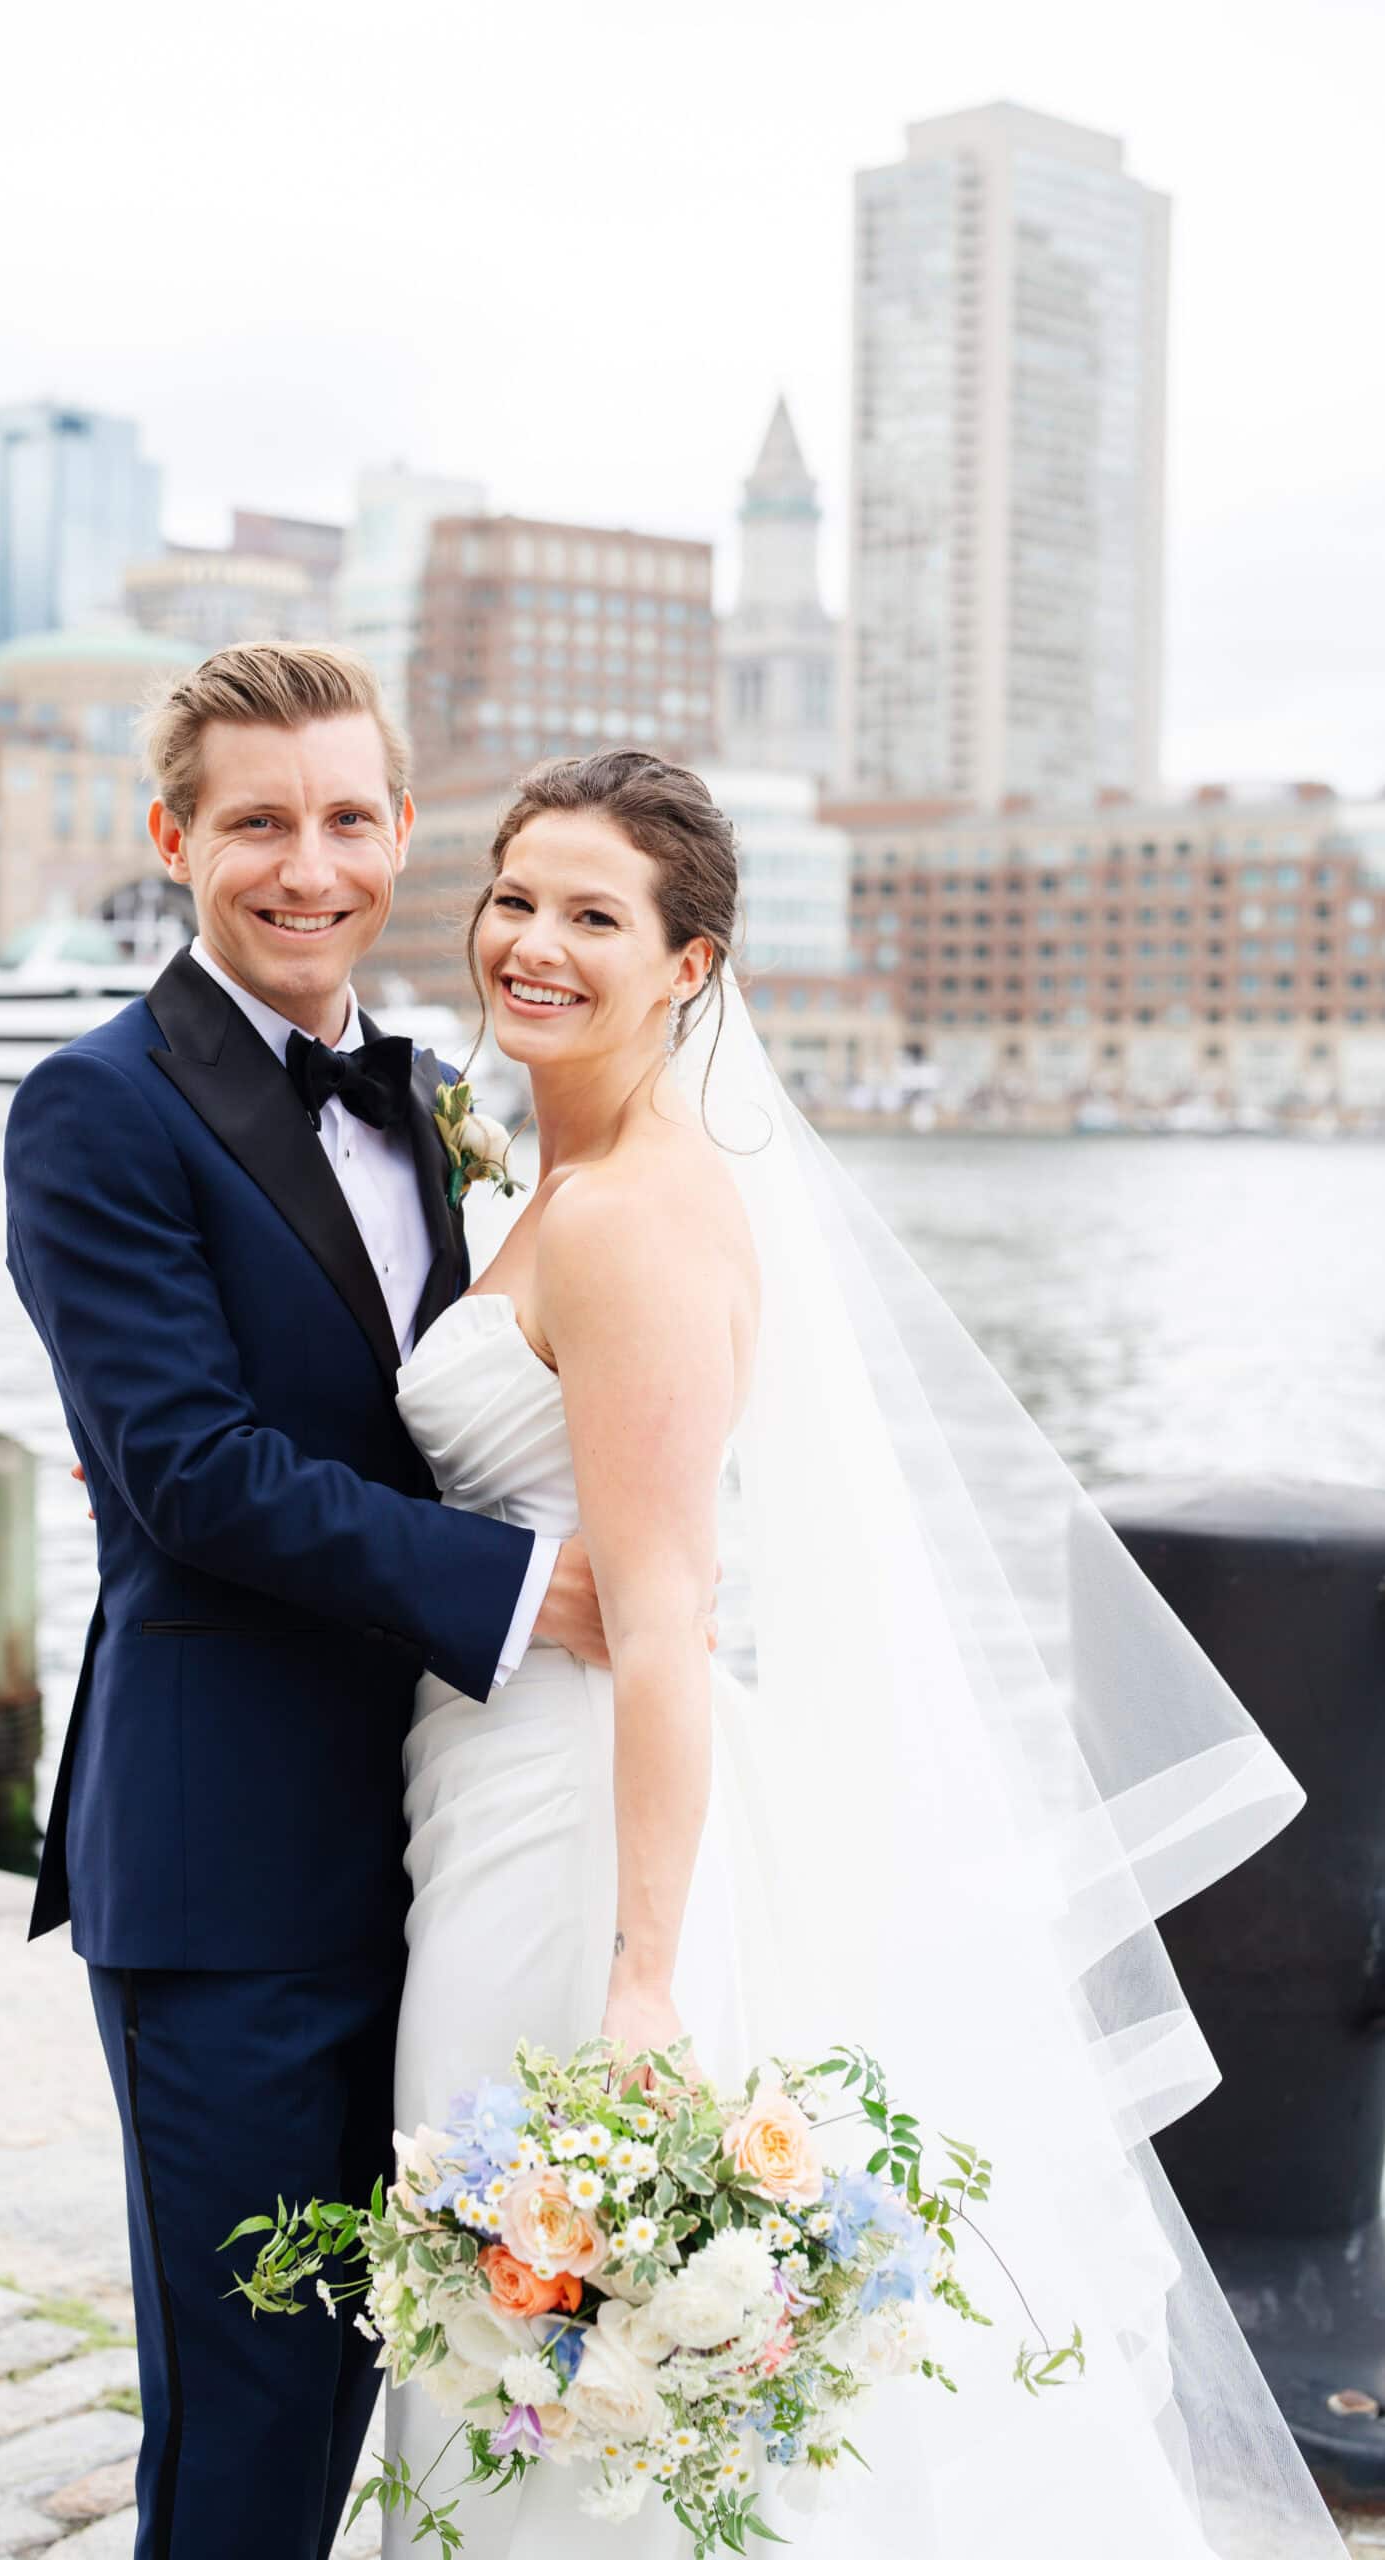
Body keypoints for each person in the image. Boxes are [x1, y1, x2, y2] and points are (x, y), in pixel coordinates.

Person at [384, 749, 1347, 2555]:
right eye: (517, 896)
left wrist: (647, 1974)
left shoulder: (637, 1215)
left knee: (535, 2347)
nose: (535, 941)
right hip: (490, 1785)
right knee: (510, 2345)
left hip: (573, 1828)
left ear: (692, 968)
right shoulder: (547, 1170)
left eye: (598, 915)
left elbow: (666, 1627)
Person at [3, 643, 617, 2560]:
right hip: (231, 1870)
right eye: (257, 821)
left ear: (404, 833)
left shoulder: (442, 1094)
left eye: (348, 817)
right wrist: (532, 1586)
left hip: (467, 1848)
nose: (307, 863)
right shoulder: (95, 1112)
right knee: (261, 2418)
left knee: (485, 2375)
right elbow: (185, 1474)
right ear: (175, 836)